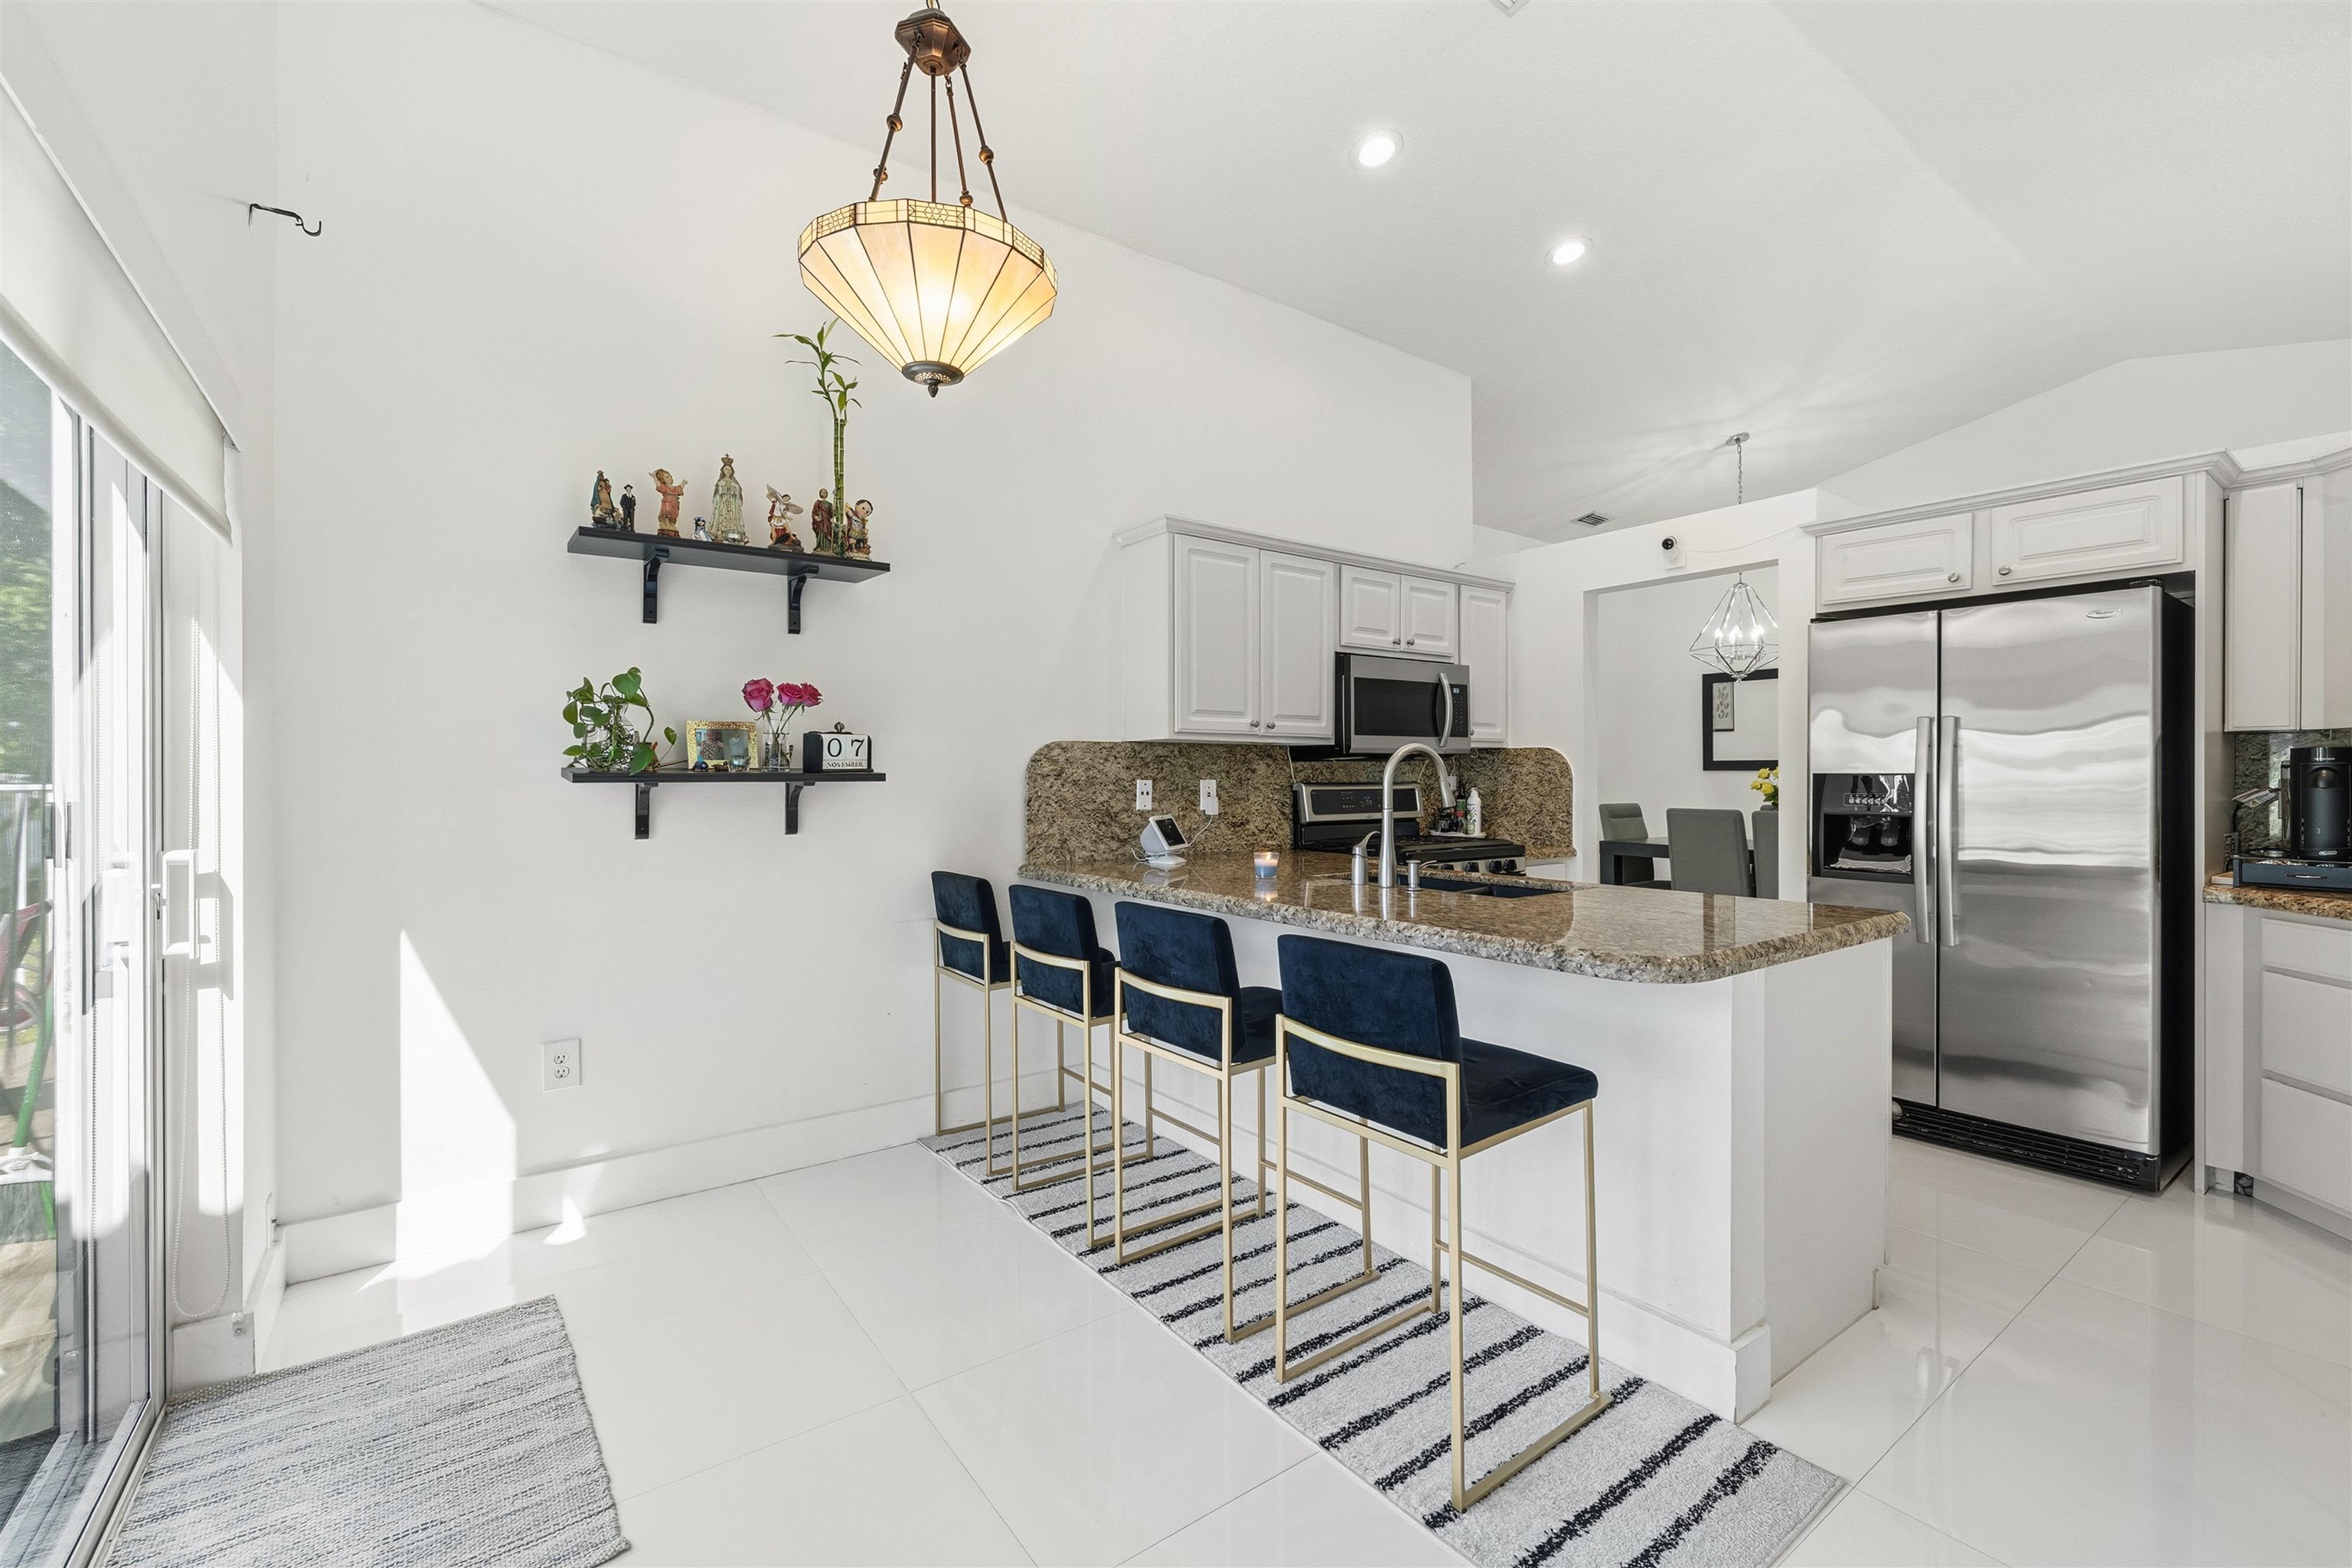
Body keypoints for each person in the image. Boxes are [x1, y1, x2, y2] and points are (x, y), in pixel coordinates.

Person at [650, 468, 686, 537]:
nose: (670, 478)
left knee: (673, 514)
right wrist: (655, 478)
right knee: (666, 513)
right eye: (667, 477)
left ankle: (672, 524)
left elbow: (680, 489)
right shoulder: (665, 487)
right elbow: (658, 485)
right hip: (667, 502)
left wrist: (683, 483)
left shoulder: (675, 488)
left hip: (675, 503)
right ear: (663, 480)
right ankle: (666, 524)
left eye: (671, 477)